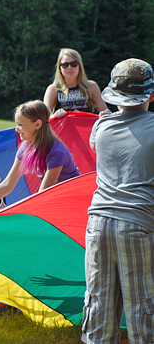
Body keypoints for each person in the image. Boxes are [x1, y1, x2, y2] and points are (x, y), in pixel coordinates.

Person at [81, 58, 154, 344]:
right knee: (141, 307)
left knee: (99, 304)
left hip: (97, 224)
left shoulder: (102, 128)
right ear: (151, 93)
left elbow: (100, 135)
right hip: (137, 224)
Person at [0, 100, 80, 216]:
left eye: (20, 125)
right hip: (58, 200)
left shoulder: (56, 152)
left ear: (37, 124)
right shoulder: (26, 147)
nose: (16, 129)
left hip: (74, 202)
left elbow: (43, 194)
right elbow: (7, 184)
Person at [44, 48, 109, 118]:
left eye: (73, 64)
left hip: (86, 128)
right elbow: (44, 118)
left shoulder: (91, 86)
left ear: (80, 66)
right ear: (60, 68)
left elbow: (106, 112)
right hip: (63, 128)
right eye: (65, 65)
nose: (69, 68)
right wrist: (55, 115)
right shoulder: (54, 89)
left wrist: (105, 113)